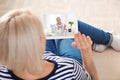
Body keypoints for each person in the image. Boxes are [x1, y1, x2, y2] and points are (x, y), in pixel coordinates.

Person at [0, 9, 98, 80]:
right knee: (64, 26)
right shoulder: (70, 70)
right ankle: (109, 39)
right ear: (42, 40)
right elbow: (92, 78)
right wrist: (86, 52)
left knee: (56, 26)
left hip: (44, 56)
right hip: (64, 62)